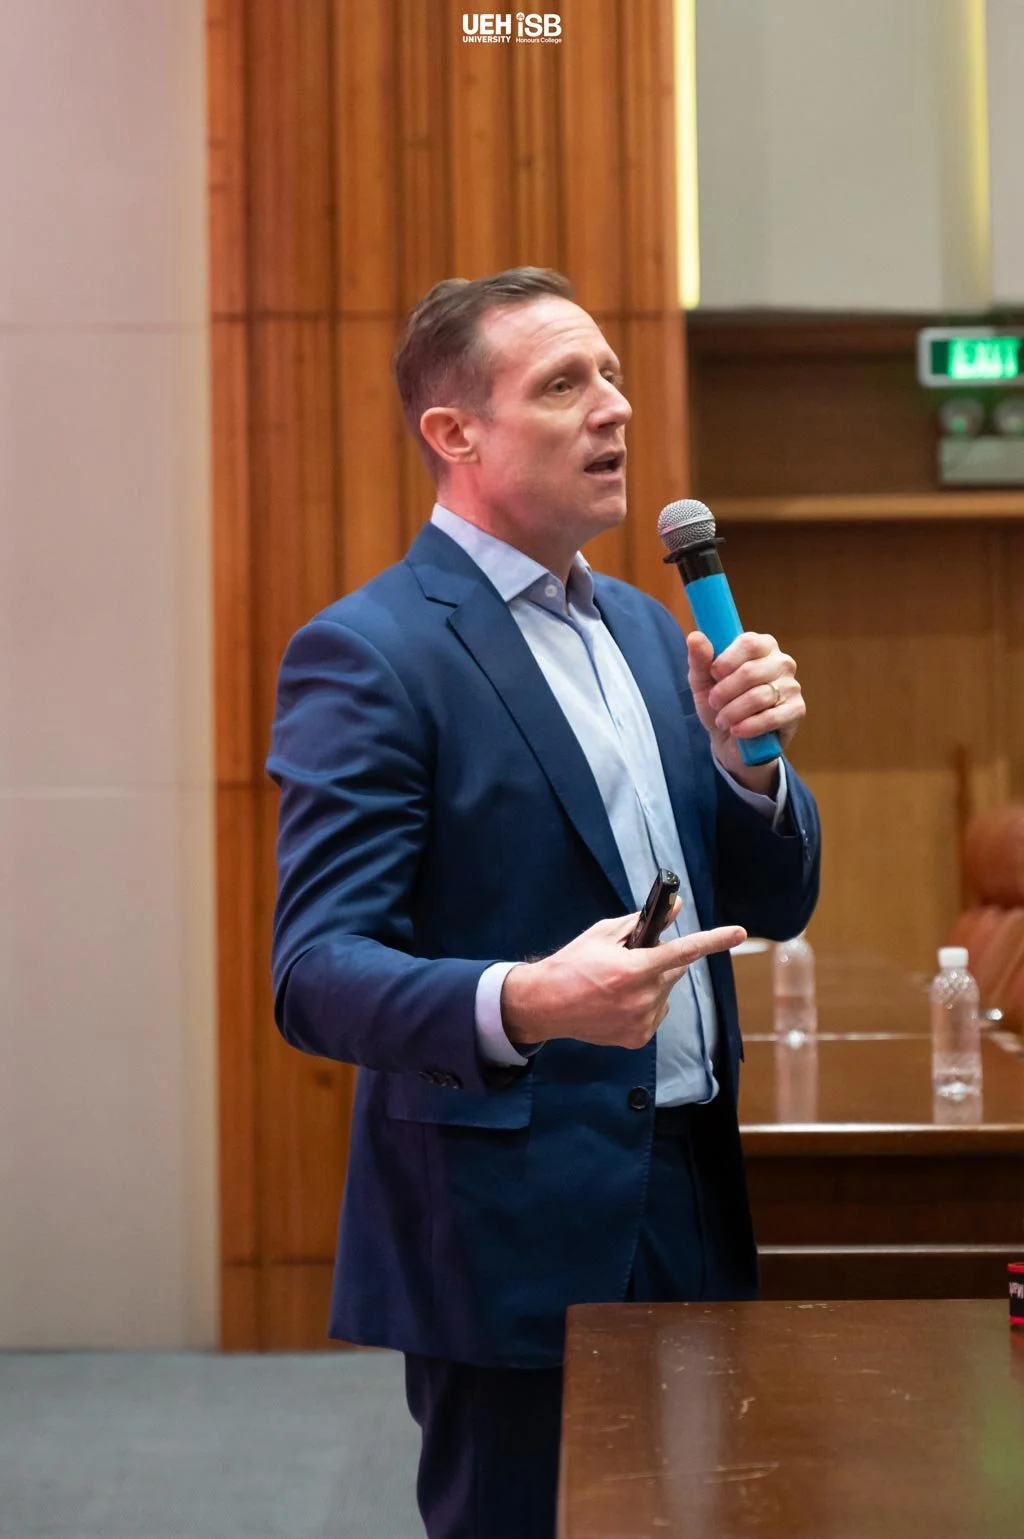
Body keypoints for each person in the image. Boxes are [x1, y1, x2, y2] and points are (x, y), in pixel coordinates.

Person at [268, 267, 820, 1539]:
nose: (612, 408)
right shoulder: (374, 650)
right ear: (454, 434)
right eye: (564, 385)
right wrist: (526, 1000)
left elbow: (770, 905)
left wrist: (751, 780)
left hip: (689, 1181)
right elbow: (315, 972)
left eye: (611, 376)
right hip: (507, 1220)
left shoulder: (646, 629)